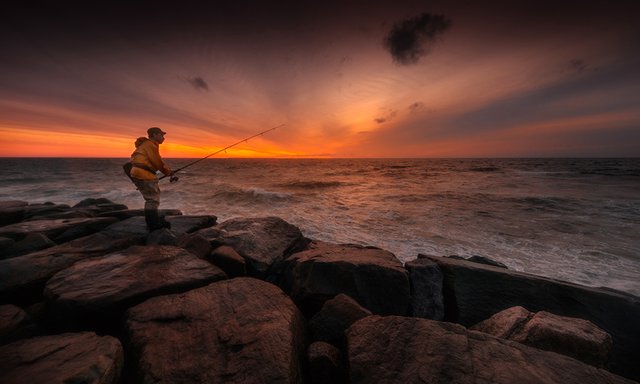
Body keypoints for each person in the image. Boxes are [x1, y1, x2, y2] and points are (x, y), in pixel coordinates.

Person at [129, 127, 174, 230]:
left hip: (137, 173)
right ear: (154, 135)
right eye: (161, 135)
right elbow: (158, 163)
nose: (163, 138)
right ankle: (153, 225)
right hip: (144, 174)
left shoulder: (144, 145)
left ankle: (152, 222)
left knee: (150, 198)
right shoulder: (150, 145)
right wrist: (168, 172)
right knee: (152, 200)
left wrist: (167, 172)